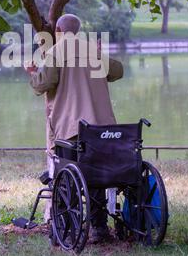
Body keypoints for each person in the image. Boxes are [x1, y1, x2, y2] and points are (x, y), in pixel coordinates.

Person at [26, 14, 123, 243]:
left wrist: (32, 73)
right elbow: (117, 72)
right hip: (101, 129)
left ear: (58, 30)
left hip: (70, 128)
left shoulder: (55, 51)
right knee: (97, 175)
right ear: (78, 30)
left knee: (65, 177)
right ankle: (99, 227)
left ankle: (67, 227)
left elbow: (43, 84)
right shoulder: (92, 51)